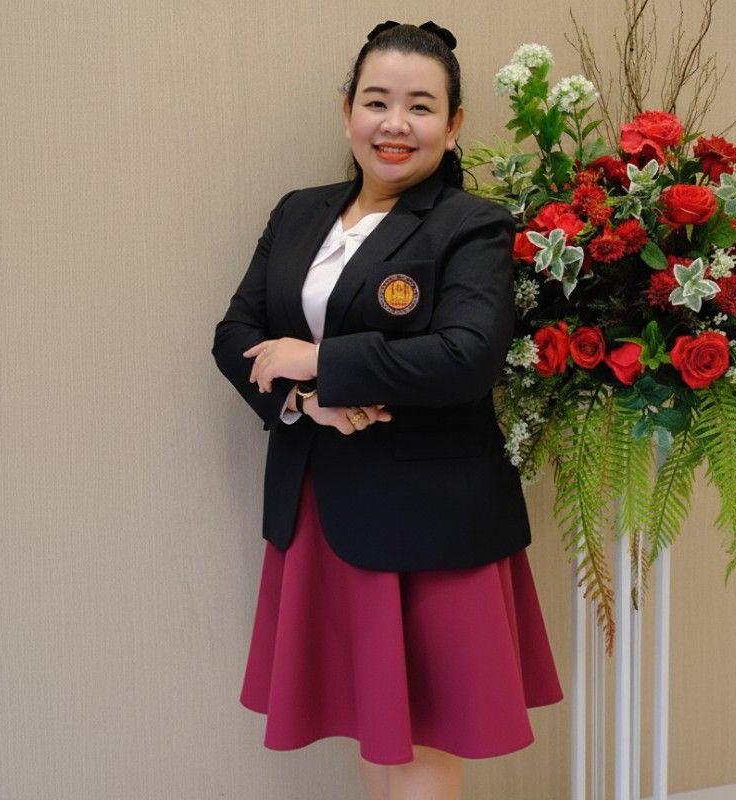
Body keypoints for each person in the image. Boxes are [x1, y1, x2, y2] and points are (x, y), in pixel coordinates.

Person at [212, 21, 563, 800]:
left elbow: (466, 357)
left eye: (420, 106)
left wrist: (319, 361)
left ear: (454, 123)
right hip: (319, 509)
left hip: (430, 522)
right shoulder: (298, 213)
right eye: (376, 101)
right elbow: (236, 335)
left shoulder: (470, 224)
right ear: (347, 112)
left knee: (421, 744)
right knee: (375, 733)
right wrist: (307, 401)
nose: (395, 123)